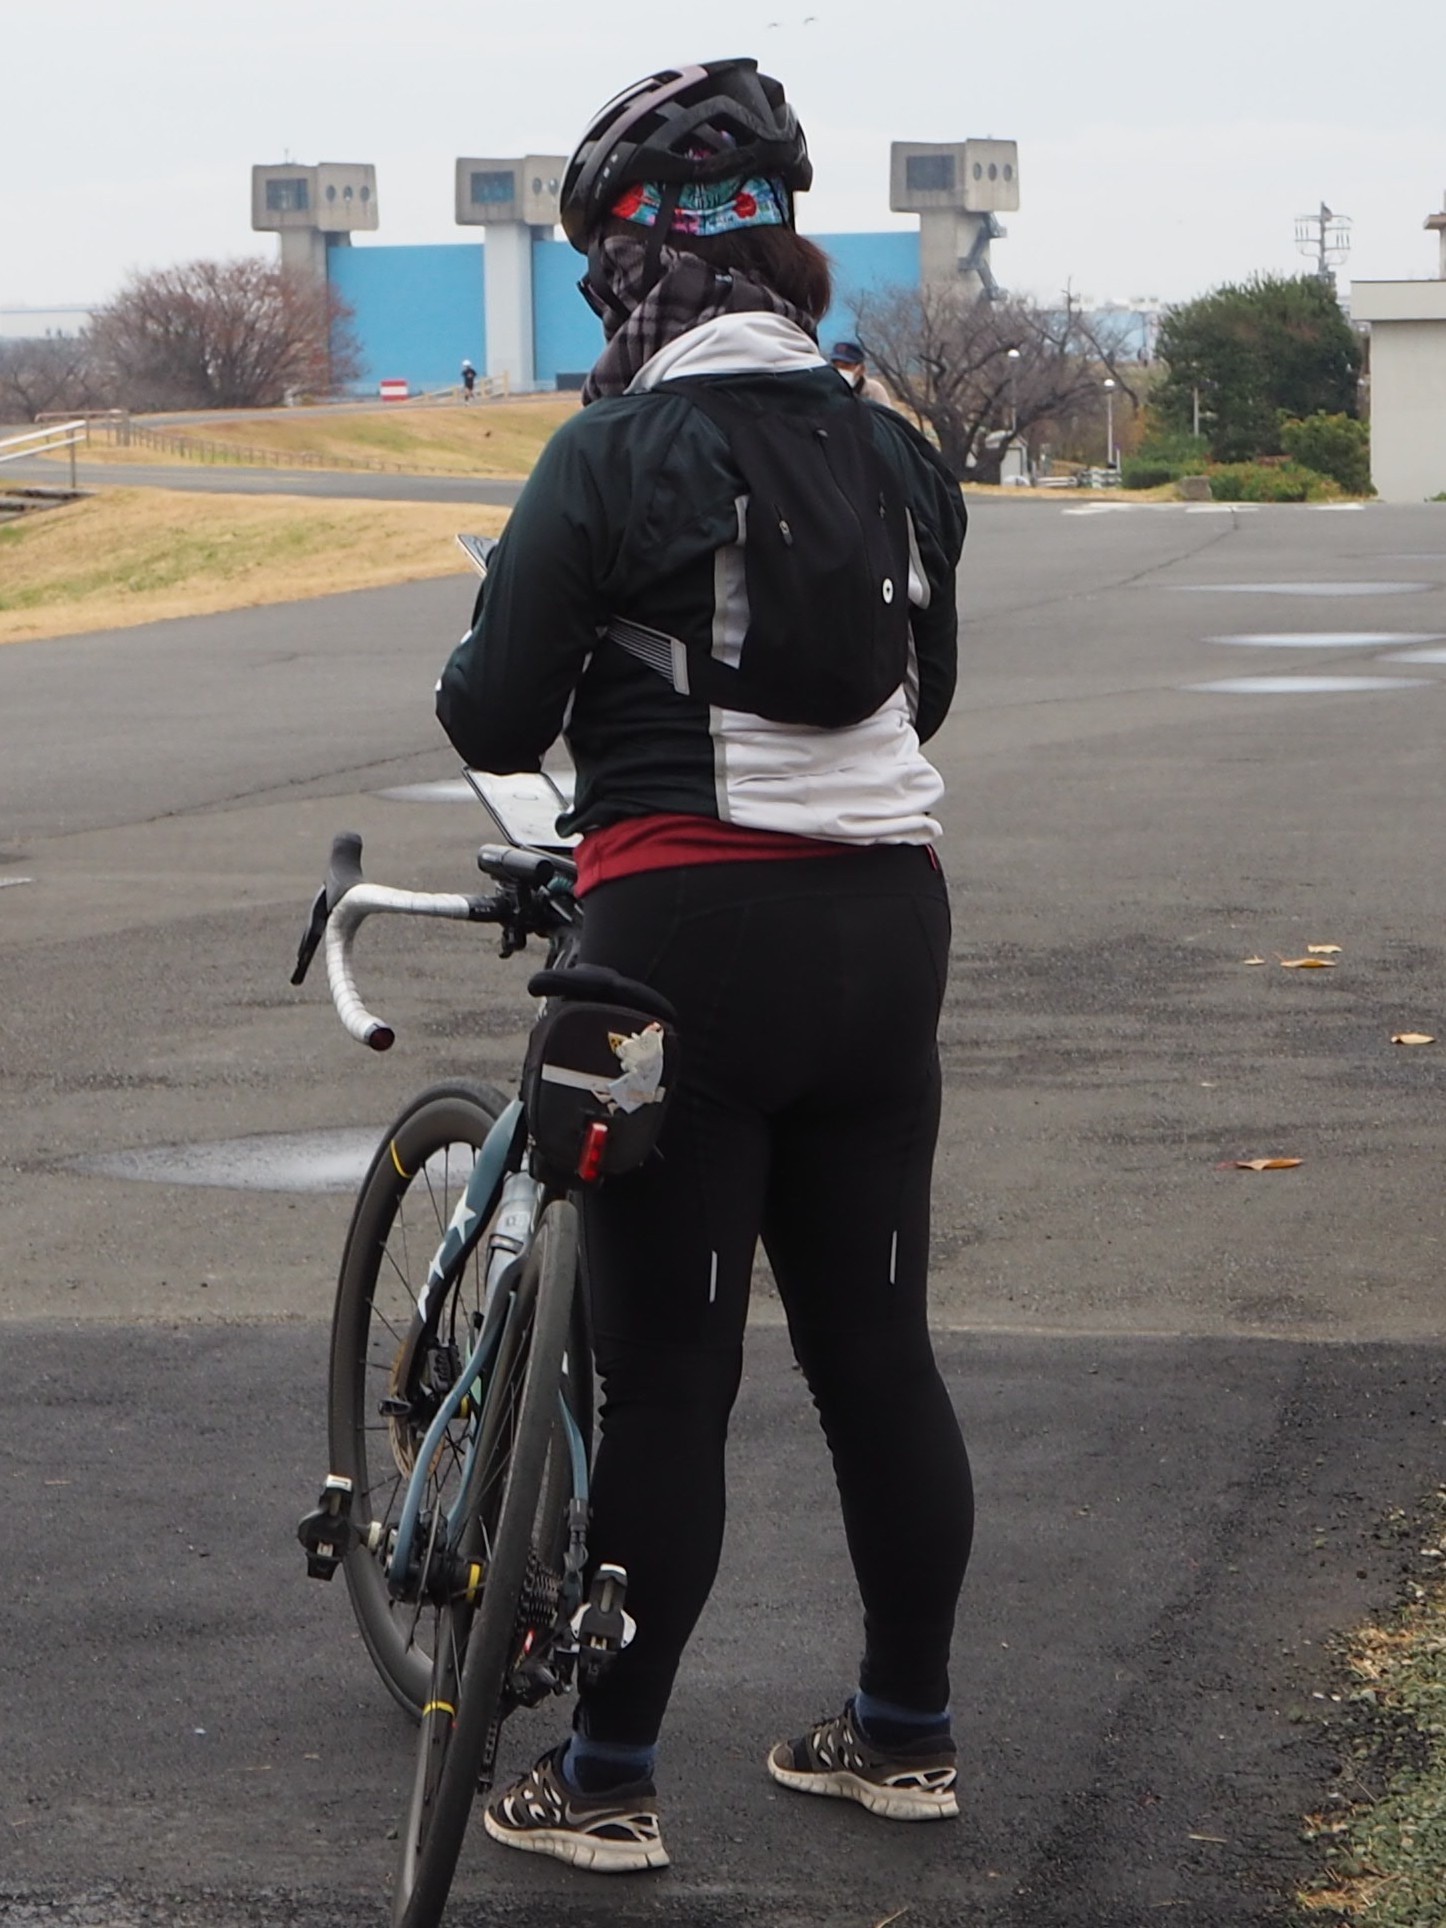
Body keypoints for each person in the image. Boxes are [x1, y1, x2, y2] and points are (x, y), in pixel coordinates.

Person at [435, 57, 972, 1875]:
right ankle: (903, 1734)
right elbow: (923, 698)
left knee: (670, 1377)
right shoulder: (896, 455)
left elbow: (492, 712)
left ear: (621, 266)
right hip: (887, 929)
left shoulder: (607, 455)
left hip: (679, 943)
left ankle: (604, 1777)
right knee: (876, 1351)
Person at [829, 337, 892, 405]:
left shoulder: (874, 390)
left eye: (846, 366)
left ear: (861, 368)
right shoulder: (828, 390)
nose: (840, 370)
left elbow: (884, 411)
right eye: (836, 366)